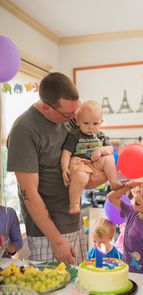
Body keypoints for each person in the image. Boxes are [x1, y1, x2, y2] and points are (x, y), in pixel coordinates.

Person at [7, 72, 87, 265]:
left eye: (77, 109)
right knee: (53, 292)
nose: (75, 117)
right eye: (69, 113)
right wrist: (57, 241)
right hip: (48, 234)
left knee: (81, 290)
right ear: (45, 107)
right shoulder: (24, 130)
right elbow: (29, 193)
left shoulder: (69, 119)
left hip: (74, 223)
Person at [61, 100, 123, 214]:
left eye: (95, 124)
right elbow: (66, 153)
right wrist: (65, 168)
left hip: (96, 162)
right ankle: (74, 203)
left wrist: (100, 150)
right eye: (86, 123)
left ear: (101, 122)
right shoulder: (74, 135)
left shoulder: (100, 135)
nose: (90, 127)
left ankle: (113, 181)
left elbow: (110, 149)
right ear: (78, 121)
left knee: (109, 158)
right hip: (81, 163)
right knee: (81, 178)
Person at [108, 175, 143, 275]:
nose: (138, 197)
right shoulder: (131, 212)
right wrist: (130, 185)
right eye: (139, 193)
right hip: (129, 276)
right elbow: (111, 197)